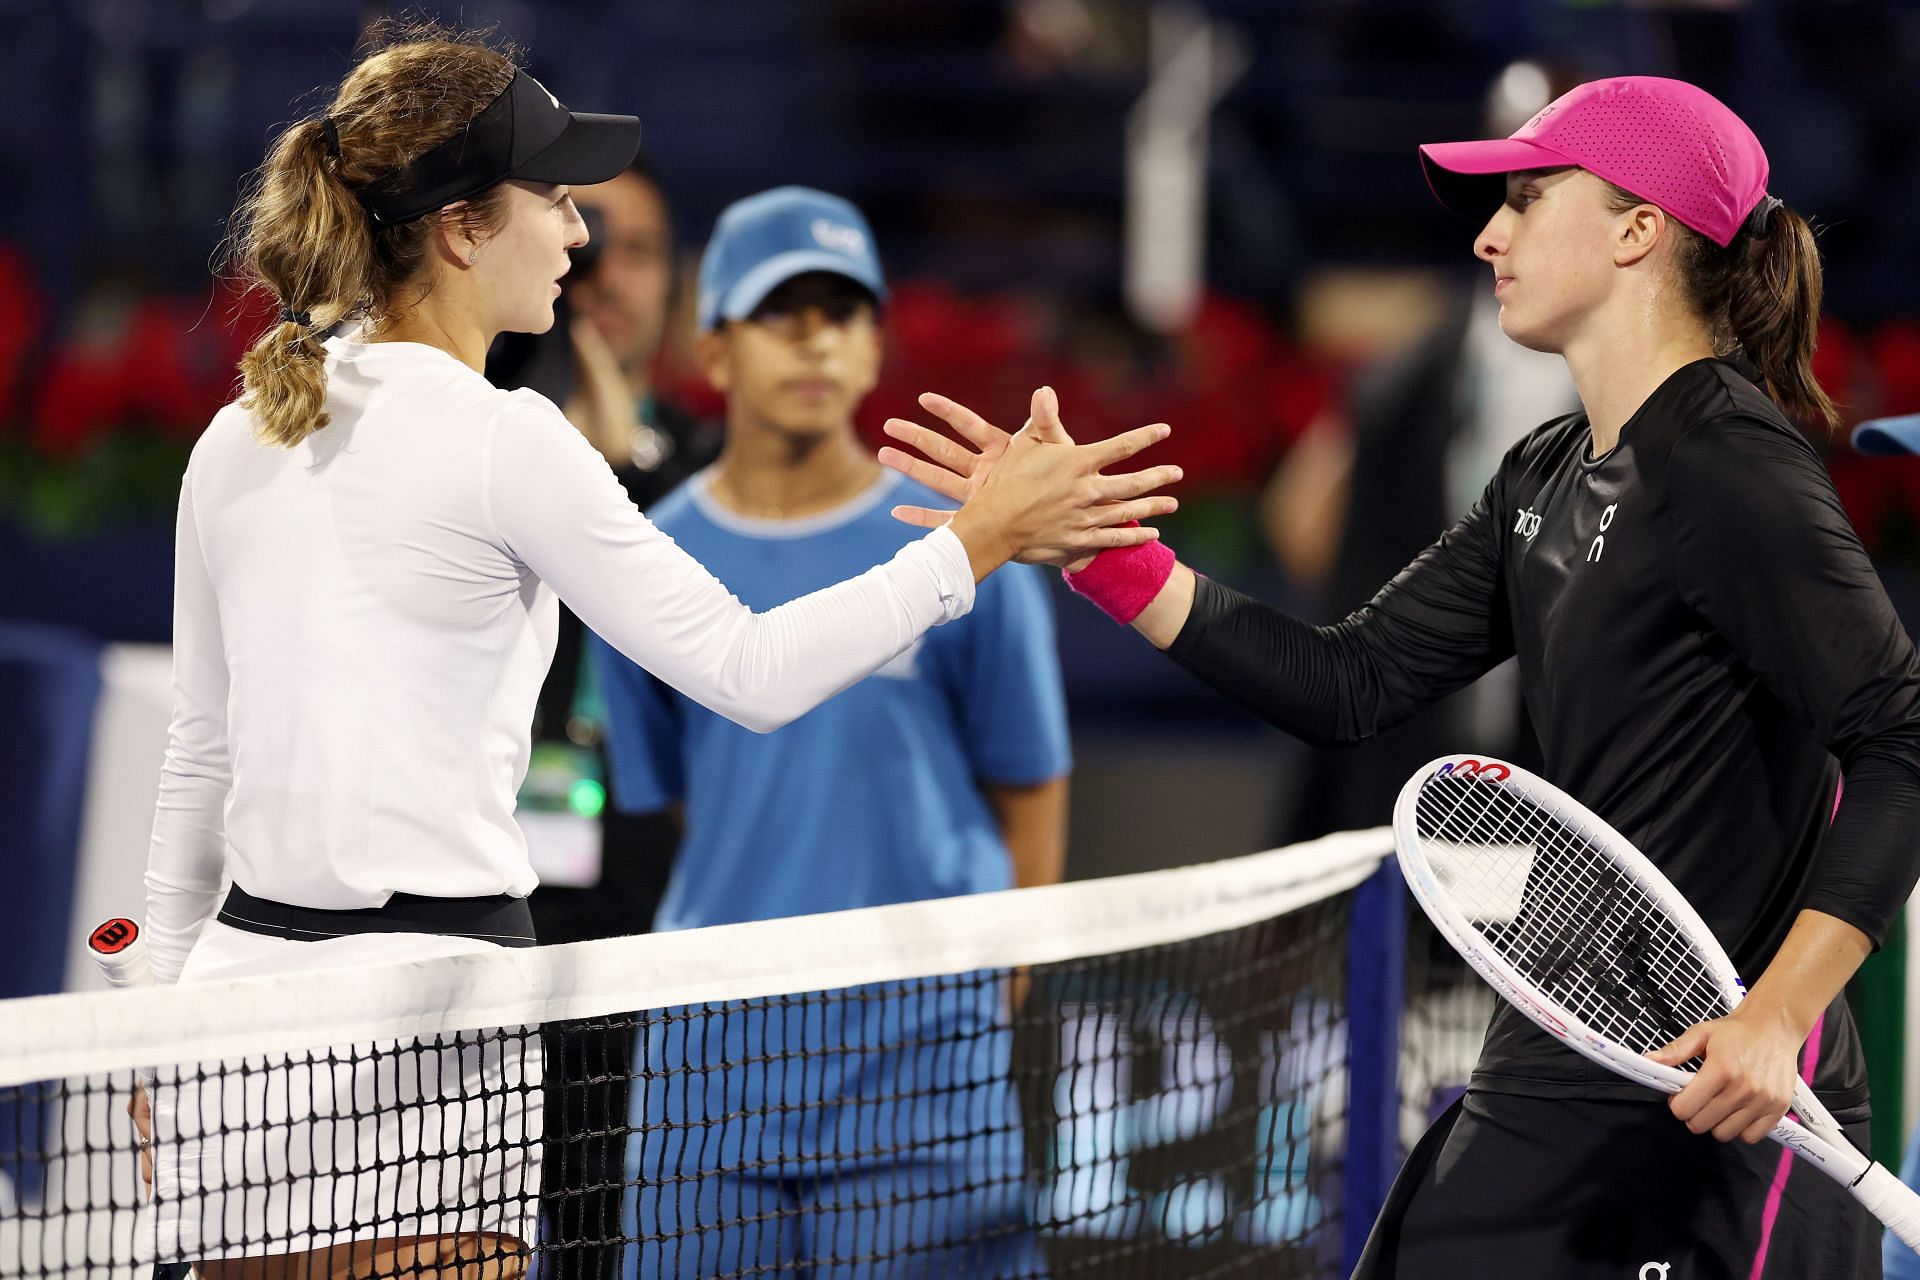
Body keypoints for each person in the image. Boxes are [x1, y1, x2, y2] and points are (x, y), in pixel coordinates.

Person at [137, 22, 1178, 1280]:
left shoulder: (236, 435)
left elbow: (198, 753)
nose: (579, 235)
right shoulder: (503, 438)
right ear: (465, 227)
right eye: (557, 201)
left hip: (237, 1012)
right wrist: (972, 542)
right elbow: (749, 672)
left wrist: (154, 1014)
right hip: (433, 1022)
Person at [882, 75, 1920, 1277]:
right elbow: (1349, 681)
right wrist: (1117, 562)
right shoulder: (1545, 472)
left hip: (1726, 1096)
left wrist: (1777, 1016)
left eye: (1530, 200)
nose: (1490, 234)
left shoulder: (1735, 465)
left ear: (1640, 229)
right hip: (1565, 1039)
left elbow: (1901, 738)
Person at [592, 187, 1069, 1277]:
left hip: (920, 1060)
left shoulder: (971, 540)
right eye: (781, 311)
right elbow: (660, 794)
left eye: (843, 310)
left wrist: (1000, 971)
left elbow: (1030, 781)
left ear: (874, 343)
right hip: (710, 1063)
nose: (817, 337)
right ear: (713, 349)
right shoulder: (641, 557)